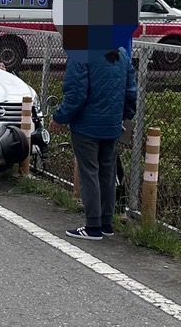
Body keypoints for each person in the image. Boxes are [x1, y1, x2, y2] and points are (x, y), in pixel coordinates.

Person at [52, 46, 138, 241]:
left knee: (89, 172)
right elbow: (131, 91)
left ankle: (93, 225)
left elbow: (76, 93)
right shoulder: (122, 55)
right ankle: (107, 223)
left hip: (86, 126)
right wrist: (125, 116)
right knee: (108, 172)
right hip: (113, 125)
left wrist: (60, 117)